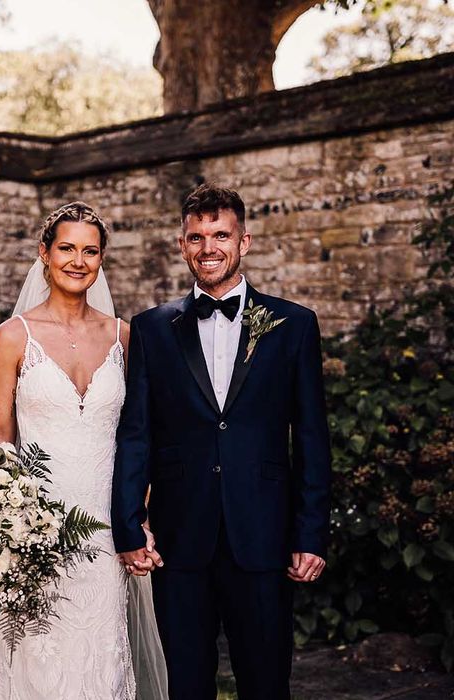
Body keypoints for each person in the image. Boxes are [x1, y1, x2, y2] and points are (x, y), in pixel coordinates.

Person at [112, 184, 332, 700]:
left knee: (266, 679)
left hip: (264, 534)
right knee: (185, 683)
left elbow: (312, 434)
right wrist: (129, 525)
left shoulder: (293, 325)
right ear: (181, 245)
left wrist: (310, 532)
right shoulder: (150, 328)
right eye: (197, 236)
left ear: (244, 241)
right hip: (178, 539)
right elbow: (137, 432)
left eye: (220, 235)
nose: (208, 247)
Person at [0, 201, 168, 700]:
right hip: (36, 532)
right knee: (40, 664)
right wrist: (7, 528)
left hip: (106, 530)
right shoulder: (13, 337)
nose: (78, 261)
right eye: (66, 249)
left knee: (101, 658)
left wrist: (139, 516)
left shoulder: (125, 335)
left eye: (90, 251)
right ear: (44, 253)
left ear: (102, 260)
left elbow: (138, 437)